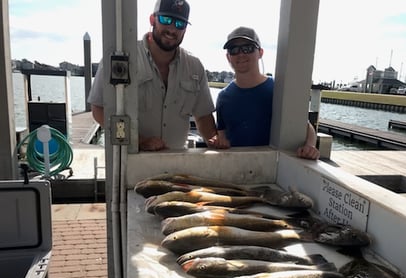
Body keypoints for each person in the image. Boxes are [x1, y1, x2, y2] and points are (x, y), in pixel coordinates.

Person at [88, 0, 218, 151]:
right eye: (166, 19)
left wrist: (214, 140)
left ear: (185, 30)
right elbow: (99, 109)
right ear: (152, 19)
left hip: (178, 165)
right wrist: (139, 141)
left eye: (180, 24)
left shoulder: (195, 67)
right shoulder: (121, 57)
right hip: (130, 163)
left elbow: (203, 116)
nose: (172, 29)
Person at [213, 26, 320, 160]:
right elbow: (221, 135)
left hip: (274, 167)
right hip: (237, 168)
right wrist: (220, 143)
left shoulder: (279, 89)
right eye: (234, 50)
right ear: (228, 57)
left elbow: (306, 127)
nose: (241, 54)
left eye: (248, 48)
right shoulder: (223, 97)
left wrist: (310, 147)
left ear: (260, 53)